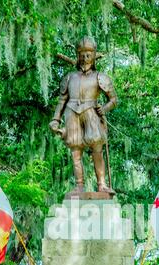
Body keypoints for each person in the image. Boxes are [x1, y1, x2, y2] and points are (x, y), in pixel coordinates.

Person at [49, 36, 118, 195]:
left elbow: (114, 99)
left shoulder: (100, 76)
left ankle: (101, 184)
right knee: (75, 150)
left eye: (89, 53)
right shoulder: (69, 77)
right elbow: (62, 100)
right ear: (77, 55)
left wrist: (105, 109)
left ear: (94, 55)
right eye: (82, 53)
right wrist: (55, 119)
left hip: (91, 111)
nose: (85, 57)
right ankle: (79, 185)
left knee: (97, 148)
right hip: (72, 112)